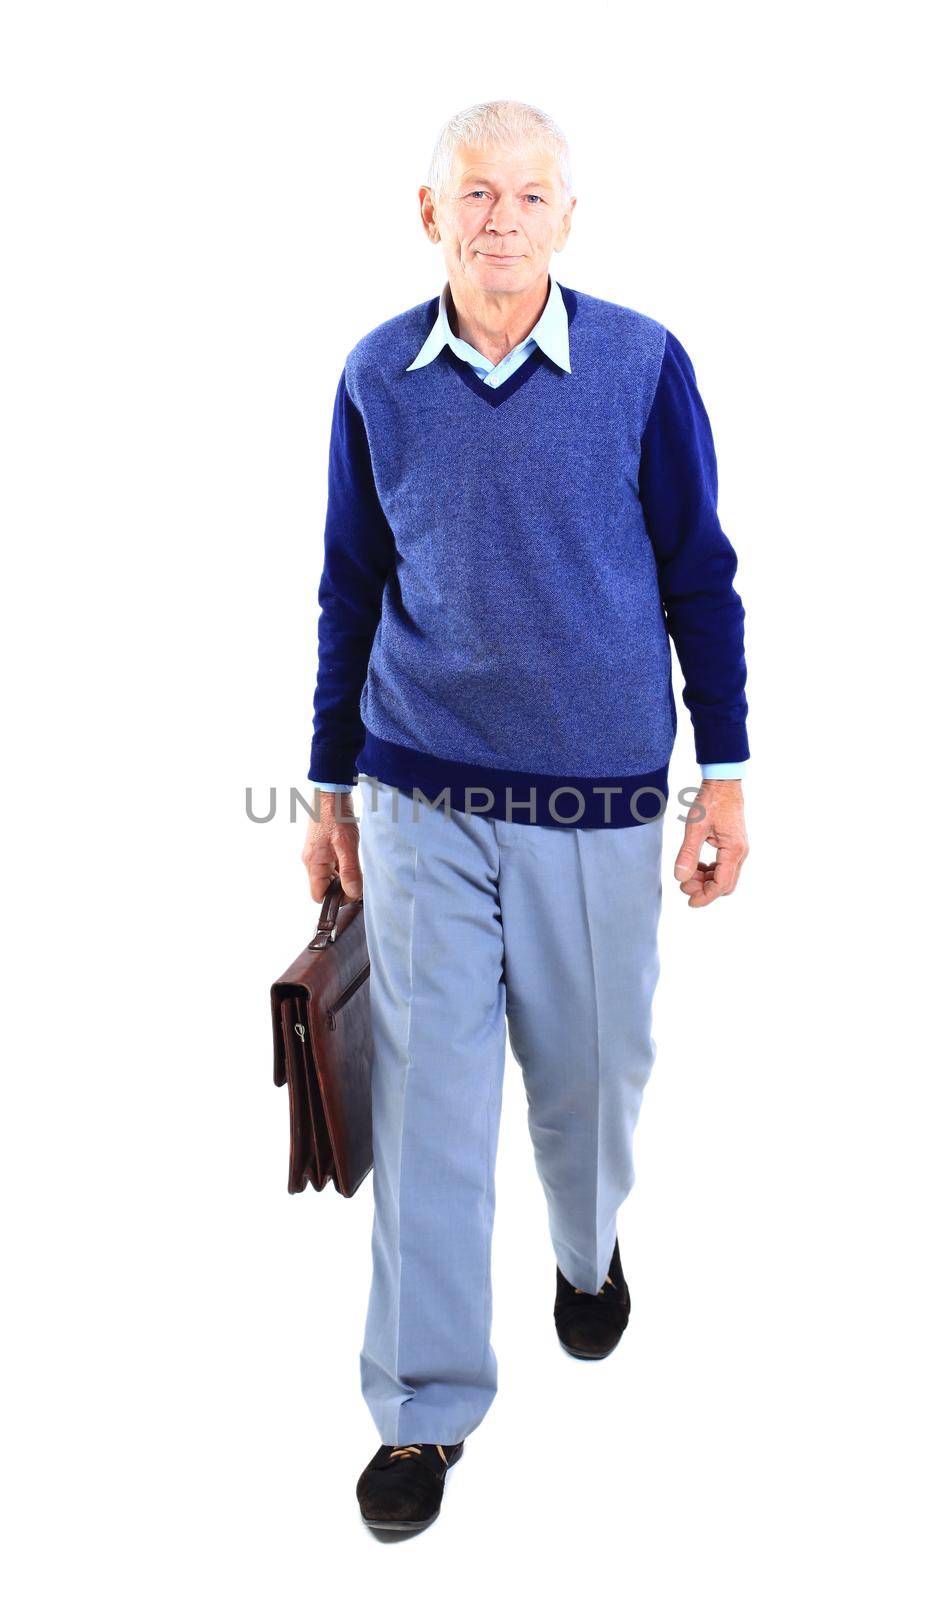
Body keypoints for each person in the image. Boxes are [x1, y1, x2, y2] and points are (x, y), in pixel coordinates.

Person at [301, 98, 749, 1535]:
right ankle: (421, 1413)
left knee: (592, 1082)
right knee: (432, 1102)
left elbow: (701, 576)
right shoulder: (378, 377)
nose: (502, 219)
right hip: (420, 789)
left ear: (570, 215)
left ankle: (589, 1245)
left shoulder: (641, 365)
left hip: (602, 804)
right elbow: (347, 590)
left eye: (530, 195)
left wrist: (723, 776)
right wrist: (326, 789)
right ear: (430, 217)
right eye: (474, 196)